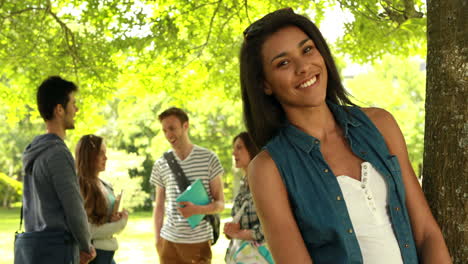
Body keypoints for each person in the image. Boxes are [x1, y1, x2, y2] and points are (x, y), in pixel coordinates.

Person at [240, 8, 451, 264]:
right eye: (283, 63)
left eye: (307, 50)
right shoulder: (267, 169)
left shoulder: (380, 125)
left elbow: (427, 233)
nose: (303, 67)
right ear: (265, 84)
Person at [18, 76, 96, 264]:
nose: (76, 109)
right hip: (57, 250)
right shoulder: (58, 153)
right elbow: (74, 207)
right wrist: (86, 246)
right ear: (59, 109)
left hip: (33, 249)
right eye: (73, 103)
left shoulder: (33, 152)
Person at [150, 107, 225, 264]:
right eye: (164, 130)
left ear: (185, 126)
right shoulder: (161, 164)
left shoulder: (209, 159)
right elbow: (159, 206)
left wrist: (198, 210)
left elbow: (220, 204)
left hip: (199, 243)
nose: (168, 135)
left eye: (172, 128)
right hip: (168, 242)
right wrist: (158, 240)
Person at [76, 134, 129, 264]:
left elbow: (102, 220)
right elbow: (87, 231)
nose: (106, 158)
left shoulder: (103, 184)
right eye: (101, 153)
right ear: (88, 156)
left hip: (107, 254)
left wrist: (112, 219)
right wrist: (121, 223)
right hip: (94, 256)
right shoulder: (81, 186)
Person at [224, 132, 267, 260]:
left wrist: (239, 233)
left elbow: (268, 230)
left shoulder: (265, 183)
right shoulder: (244, 184)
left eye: (239, 148)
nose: (233, 153)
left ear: (252, 149)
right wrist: (232, 229)